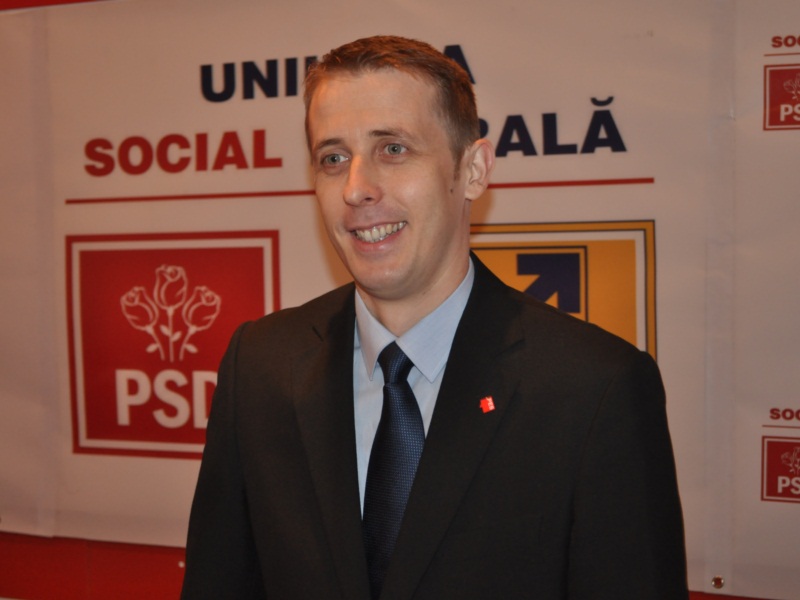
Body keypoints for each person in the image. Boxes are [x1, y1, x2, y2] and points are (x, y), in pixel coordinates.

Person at [181, 35, 688, 599]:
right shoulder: (260, 365)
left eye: (393, 149)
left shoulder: (595, 388)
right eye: (333, 158)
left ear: (472, 170)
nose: (356, 189)